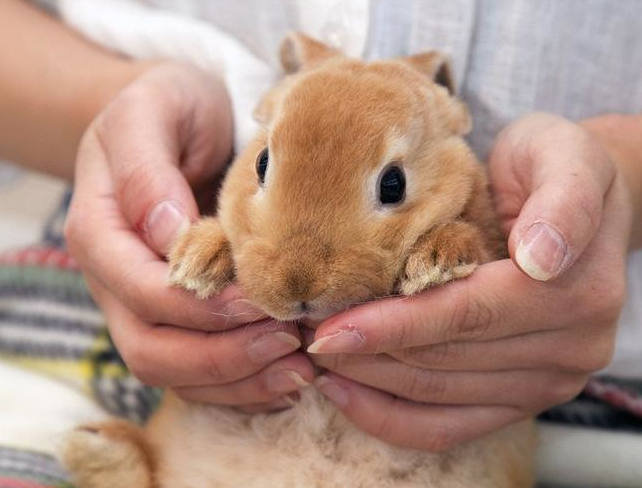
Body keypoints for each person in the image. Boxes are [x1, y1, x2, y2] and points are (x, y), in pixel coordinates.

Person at [1, 0, 641, 452]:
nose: (302, 276)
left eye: (390, 189)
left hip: (570, 387)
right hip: (107, 329)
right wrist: (112, 105)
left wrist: (618, 177)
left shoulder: (446, 175)